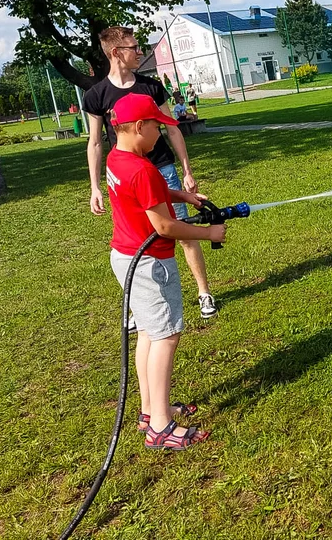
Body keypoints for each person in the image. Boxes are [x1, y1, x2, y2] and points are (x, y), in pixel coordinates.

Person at [105, 93, 224, 449]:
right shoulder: (142, 169)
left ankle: (149, 410)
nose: (160, 134)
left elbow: (147, 195)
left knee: (148, 333)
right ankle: (161, 427)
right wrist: (208, 233)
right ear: (139, 127)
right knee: (167, 335)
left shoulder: (119, 159)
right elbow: (165, 228)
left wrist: (182, 197)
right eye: (157, 127)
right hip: (151, 265)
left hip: (125, 258)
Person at [83, 26, 218, 320]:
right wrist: (95, 186)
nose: (140, 52)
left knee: (181, 230)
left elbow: (171, 127)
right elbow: (95, 141)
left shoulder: (151, 86)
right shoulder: (96, 95)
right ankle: (142, 304)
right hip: (128, 175)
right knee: (136, 238)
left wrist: (186, 170)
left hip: (162, 170)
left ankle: (203, 292)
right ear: (116, 53)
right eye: (134, 47)